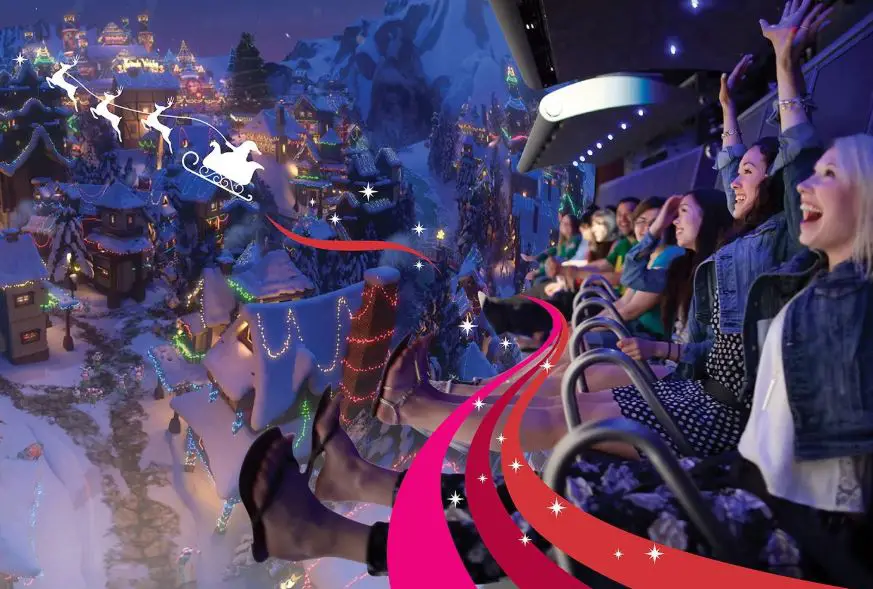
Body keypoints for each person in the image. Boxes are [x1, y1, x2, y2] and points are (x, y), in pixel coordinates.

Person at [242, 122, 873, 589]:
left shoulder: (835, 299)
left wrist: (785, 80)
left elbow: (820, 485)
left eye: (829, 174)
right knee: (555, 467)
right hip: (733, 459)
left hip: (766, 497)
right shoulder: (812, 289)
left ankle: (383, 461)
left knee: (562, 481)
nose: (803, 182)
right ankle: (375, 475)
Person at [379, 188, 738, 456]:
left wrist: (662, 348)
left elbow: (631, 302)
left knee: (561, 404)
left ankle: (417, 406)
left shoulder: (698, 266)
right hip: (678, 378)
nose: (670, 221)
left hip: (681, 383)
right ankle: (445, 395)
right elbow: (629, 280)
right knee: (556, 384)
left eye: (680, 213)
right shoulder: (693, 265)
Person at [482, 197, 687, 346]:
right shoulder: (636, 250)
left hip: (627, 320)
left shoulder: (661, 254)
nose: (625, 220)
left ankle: (505, 320)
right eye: (640, 221)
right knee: (550, 294)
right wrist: (567, 270)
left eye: (653, 223)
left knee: (561, 306)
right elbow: (605, 272)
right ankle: (503, 313)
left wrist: (581, 326)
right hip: (615, 309)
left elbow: (623, 285)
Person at [561, 197, 639, 291]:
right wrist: (570, 270)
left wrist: (576, 273)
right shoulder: (622, 243)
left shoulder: (639, 246)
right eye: (619, 214)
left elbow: (619, 278)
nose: (623, 219)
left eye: (629, 214)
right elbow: (603, 265)